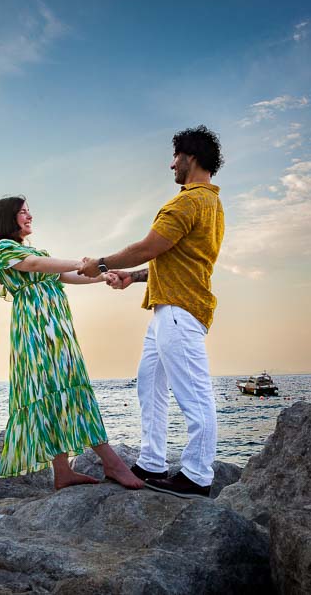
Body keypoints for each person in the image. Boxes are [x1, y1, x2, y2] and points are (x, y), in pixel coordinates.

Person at [80, 125, 225, 499]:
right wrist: (131, 276)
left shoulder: (187, 202)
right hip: (167, 309)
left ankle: (197, 475)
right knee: (150, 385)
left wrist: (100, 262)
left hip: (179, 310)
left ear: (189, 158)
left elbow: (148, 246)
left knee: (194, 395)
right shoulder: (211, 203)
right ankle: (152, 461)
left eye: (175, 156)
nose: (171, 164)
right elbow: (174, 258)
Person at [0, 196, 144, 491]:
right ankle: (111, 462)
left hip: (53, 327)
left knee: (58, 386)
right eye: (22, 213)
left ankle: (63, 471)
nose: (29, 216)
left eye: (30, 211)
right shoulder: (7, 249)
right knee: (58, 384)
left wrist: (100, 275)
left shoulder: (29, 251)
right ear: (9, 218)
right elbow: (34, 264)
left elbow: (65, 276)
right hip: (36, 329)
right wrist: (85, 262)